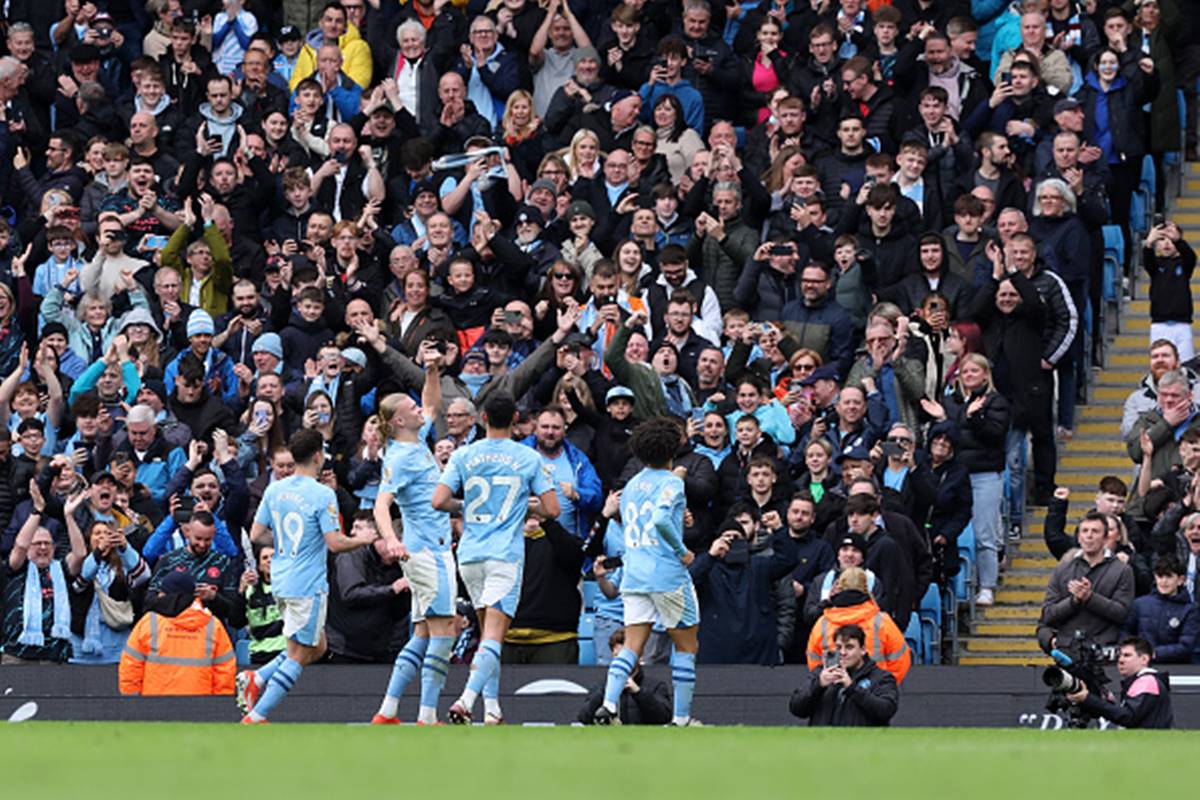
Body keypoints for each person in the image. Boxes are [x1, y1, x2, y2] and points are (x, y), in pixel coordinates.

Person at [434, 391, 561, 725]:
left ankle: (492, 708)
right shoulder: (528, 457)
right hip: (504, 555)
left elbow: (439, 500)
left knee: (488, 633)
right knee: (493, 635)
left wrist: (465, 506)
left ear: (483, 419)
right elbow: (552, 509)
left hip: (471, 554)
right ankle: (465, 700)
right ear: (516, 421)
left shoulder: (464, 455)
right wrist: (525, 505)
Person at [237, 429, 375, 723]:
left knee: (317, 646)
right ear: (317, 456)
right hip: (307, 584)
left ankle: (258, 677)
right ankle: (258, 715)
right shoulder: (323, 493)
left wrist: (287, 544)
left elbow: (256, 533)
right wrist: (364, 540)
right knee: (301, 654)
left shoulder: (275, 489)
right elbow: (335, 543)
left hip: (281, 579)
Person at [594, 416, 701, 726]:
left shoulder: (631, 485)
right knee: (686, 645)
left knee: (632, 644)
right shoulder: (671, 482)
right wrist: (682, 550)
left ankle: (609, 705)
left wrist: (679, 522)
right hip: (666, 573)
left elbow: (640, 523)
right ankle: (681, 719)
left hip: (634, 573)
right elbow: (660, 521)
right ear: (675, 446)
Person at [370, 390, 459, 726]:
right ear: (398, 421)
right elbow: (381, 505)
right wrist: (391, 539)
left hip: (427, 550)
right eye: (412, 408)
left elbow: (432, 403)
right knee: (443, 630)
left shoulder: (415, 438)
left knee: (422, 632)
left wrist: (433, 370)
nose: (420, 410)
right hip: (427, 552)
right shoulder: (400, 458)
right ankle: (427, 715)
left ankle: (388, 710)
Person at [118, 569, 236, 696]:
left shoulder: (149, 622)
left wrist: (131, 702)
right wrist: (220, 704)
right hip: (200, 707)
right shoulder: (212, 625)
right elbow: (225, 672)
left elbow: (131, 666)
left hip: (153, 706)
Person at [1037, 511, 1135, 655]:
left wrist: (1090, 598)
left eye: (1095, 531)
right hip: (1068, 651)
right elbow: (1048, 615)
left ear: (1105, 537)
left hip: (1104, 651)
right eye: (1085, 531)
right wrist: (1074, 601)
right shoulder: (1063, 568)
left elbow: (1121, 613)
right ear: (1078, 537)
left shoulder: (1123, 570)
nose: (1089, 536)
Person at [788, 622, 899, 727]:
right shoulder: (822, 673)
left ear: (863, 650)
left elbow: (886, 711)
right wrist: (819, 685)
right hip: (822, 743)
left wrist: (852, 688)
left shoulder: (881, 677)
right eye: (838, 647)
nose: (843, 653)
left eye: (849, 647)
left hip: (862, 744)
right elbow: (796, 708)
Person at [1065, 636, 1173, 729]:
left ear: (1144, 659)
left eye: (1127, 655)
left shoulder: (1147, 681)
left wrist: (1088, 698)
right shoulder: (1144, 680)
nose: (1120, 660)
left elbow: (1127, 717)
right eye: (1119, 655)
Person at [578, 627, 671, 725]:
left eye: (626, 657)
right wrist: (606, 691)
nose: (621, 662)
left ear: (640, 656)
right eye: (616, 656)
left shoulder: (656, 686)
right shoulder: (600, 686)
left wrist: (638, 692)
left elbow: (664, 718)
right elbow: (584, 717)